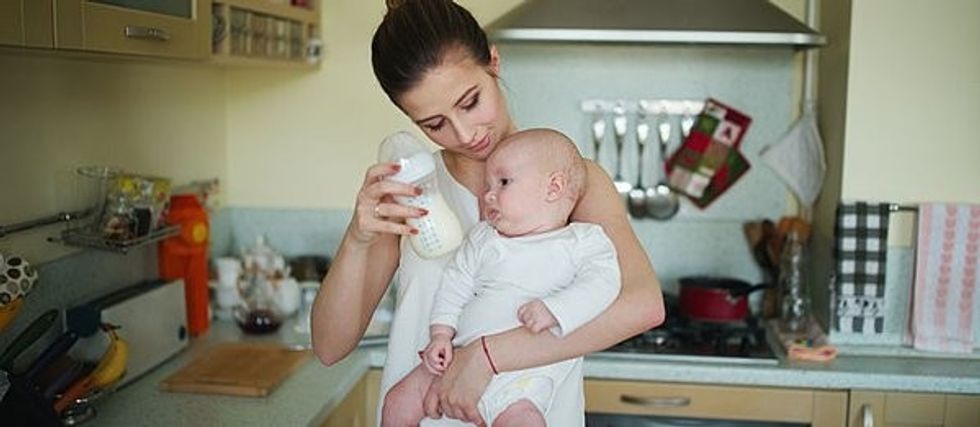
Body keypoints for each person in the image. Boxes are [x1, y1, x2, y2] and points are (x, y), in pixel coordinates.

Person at [311, 1, 666, 425]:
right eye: (434, 124)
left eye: (470, 101)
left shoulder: (570, 182)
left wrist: (487, 355)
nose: (465, 134)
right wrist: (358, 237)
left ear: (494, 63)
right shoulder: (414, 192)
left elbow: (643, 305)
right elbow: (330, 347)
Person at [381, 129, 621, 427]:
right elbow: (455, 283)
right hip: (457, 359)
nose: (488, 194)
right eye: (488, 185)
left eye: (503, 182)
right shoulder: (485, 238)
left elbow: (604, 284)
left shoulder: (583, 241)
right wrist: (441, 333)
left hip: (523, 381)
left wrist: (556, 310)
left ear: (554, 187)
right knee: (397, 402)